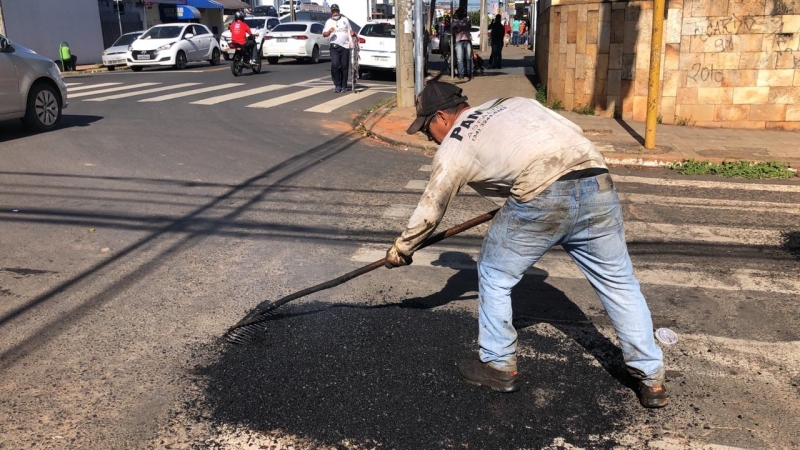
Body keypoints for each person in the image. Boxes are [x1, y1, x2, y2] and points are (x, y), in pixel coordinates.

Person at [385, 81, 668, 409]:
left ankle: (497, 365)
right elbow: (570, 134)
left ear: (440, 118)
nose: (430, 137)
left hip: (542, 194)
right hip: (596, 180)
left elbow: (430, 211)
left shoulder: (455, 143)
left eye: (426, 130)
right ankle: (652, 378)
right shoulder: (514, 101)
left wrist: (402, 249)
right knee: (619, 283)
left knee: (493, 274)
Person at [322, 4, 355, 93]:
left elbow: (350, 30)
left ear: (339, 11)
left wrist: (352, 33)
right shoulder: (328, 22)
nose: (335, 13)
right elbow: (324, 34)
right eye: (333, 11)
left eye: (336, 11)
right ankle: (337, 84)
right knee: (335, 65)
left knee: (344, 67)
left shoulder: (345, 20)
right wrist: (329, 32)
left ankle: (344, 85)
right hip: (334, 46)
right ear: (331, 12)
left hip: (345, 46)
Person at [451, 7, 472, 80]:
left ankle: (469, 73)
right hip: (458, 41)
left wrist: (459, 28)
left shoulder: (467, 20)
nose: (459, 14)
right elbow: (454, 30)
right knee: (459, 58)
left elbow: (469, 27)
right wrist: (459, 28)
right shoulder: (454, 21)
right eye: (458, 12)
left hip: (467, 40)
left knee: (468, 57)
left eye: (461, 12)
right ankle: (461, 74)